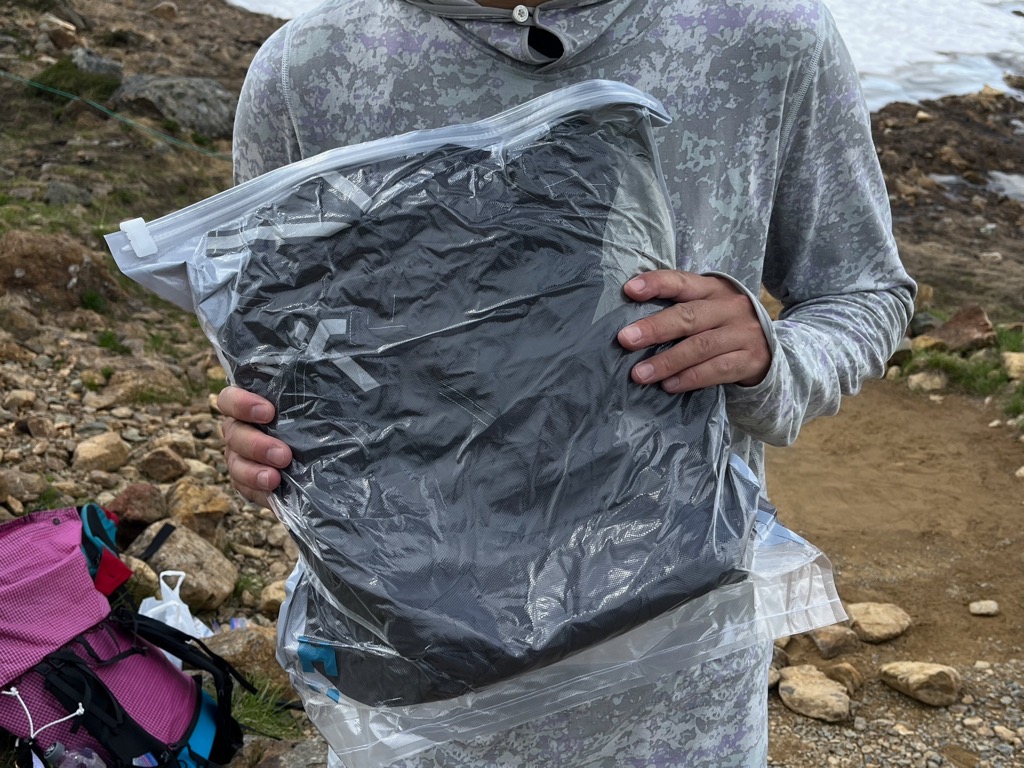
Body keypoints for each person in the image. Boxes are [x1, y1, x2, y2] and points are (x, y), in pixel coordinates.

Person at [217, 0, 916, 764]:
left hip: (680, 701)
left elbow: (864, 291)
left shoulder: (769, 33)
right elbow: (284, 335)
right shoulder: (306, 69)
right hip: (415, 704)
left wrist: (771, 359)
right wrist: (270, 438)